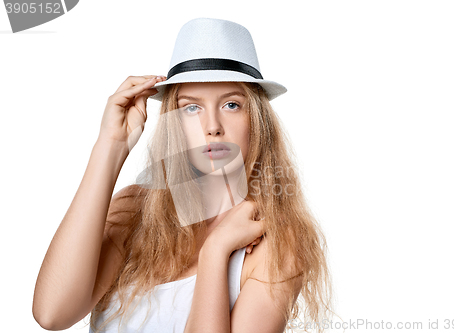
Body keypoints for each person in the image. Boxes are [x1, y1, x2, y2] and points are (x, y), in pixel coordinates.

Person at [33, 18, 335, 333]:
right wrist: (110, 147)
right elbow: (52, 314)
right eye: (191, 108)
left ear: (256, 119)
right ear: (174, 122)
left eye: (231, 104)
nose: (212, 126)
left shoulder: (275, 243)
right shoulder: (133, 211)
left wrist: (215, 252)